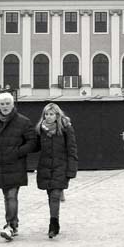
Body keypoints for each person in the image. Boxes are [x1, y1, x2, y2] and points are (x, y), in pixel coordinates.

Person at [22, 102, 78, 239]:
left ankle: (53, 224)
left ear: (57, 115)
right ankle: (54, 219)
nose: (48, 117)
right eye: (46, 114)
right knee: (50, 195)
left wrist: (71, 170)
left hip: (61, 166)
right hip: (45, 167)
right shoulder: (40, 130)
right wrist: (22, 145)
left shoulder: (66, 128)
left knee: (55, 195)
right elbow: (36, 147)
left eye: (51, 114)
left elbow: (72, 149)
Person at [0, 92, 36, 241]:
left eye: (7, 103)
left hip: (15, 165)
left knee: (11, 195)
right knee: (7, 196)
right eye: (2, 104)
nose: (5, 106)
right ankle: (14, 223)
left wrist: (17, 153)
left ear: (13, 104)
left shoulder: (23, 122)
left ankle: (10, 226)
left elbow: (32, 142)